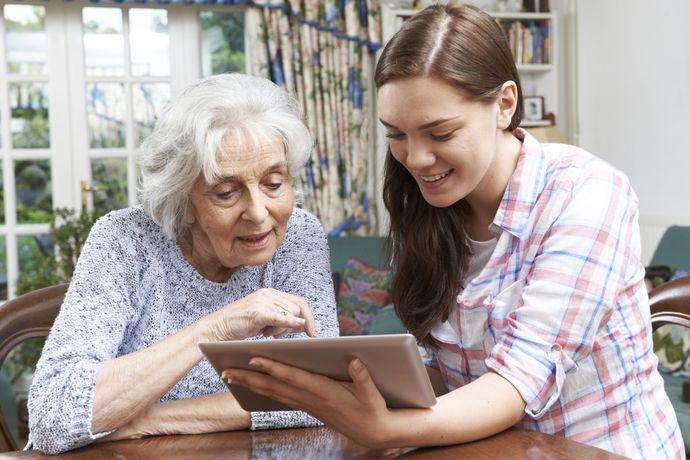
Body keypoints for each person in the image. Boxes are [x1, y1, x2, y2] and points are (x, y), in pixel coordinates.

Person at [221, 4, 684, 459]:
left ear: (504, 105)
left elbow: (519, 381)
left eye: (439, 134)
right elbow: (441, 370)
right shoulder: (425, 206)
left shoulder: (587, 193)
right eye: (396, 135)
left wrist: (386, 426)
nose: (416, 159)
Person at [27, 73, 338, 455]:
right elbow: (53, 416)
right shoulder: (125, 240)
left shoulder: (297, 236)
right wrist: (219, 326)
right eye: (226, 193)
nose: (259, 213)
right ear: (182, 202)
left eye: (274, 183)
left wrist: (146, 420)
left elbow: (320, 394)